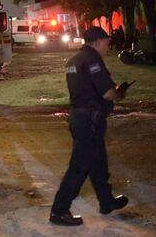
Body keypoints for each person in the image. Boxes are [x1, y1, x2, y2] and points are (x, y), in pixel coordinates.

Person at [50, 26, 128, 226]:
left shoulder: (74, 60)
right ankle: (59, 211)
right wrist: (119, 93)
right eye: (107, 42)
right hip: (89, 121)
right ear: (99, 41)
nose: (108, 46)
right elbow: (107, 93)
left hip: (80, 117)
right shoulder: (92, 60)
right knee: (79, 167)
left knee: (98, 162)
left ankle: (106, 201)